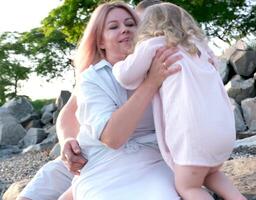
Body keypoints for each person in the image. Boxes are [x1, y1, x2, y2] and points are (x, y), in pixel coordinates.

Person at [17, 1, 181, 200]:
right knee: (33, 193)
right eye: (114, 26)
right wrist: (68, 140)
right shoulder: (95, 77)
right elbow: (69, 113)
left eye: (131, 24)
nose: (126, 30)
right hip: (88, 155)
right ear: (100, 41)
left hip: (142, 158)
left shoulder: (162, 64)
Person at [113, 3, 246, 200]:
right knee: (211, 173)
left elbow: (126, 76)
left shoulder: (154, 44)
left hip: (194, 135)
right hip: (223, 131)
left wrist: (117, 65)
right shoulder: (198, 46)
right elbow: (214, 64)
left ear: (147, 25)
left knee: (187, 186)